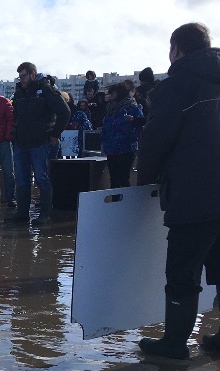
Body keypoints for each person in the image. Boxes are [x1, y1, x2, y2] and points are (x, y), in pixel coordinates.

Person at [137, 22, 220, 360]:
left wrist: (144, 180)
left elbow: (156, 140)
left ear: (176, 49)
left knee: (182, 272)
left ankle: (174, 343)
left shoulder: (178, 85)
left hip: (196, 192)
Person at [7, 62, 71, 225]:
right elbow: (16, 115)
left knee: (42, 178)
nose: (21, 79)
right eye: (19, 76)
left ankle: (45, 214)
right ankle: (22, 213)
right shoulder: (19, 92)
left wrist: (55, 134)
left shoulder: (47, 90)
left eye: (24, 75)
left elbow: (64, 112)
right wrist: (15, 130)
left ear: (33, 74)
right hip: (21, 142)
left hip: (40, 143)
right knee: (22, 180)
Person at [101, 83, 143, 188]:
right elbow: (106, 127)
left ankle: (124, 202)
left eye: (112, 93)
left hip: (126, 148)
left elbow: (140, 124)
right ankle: (115, 202)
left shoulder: (132, 107)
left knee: (123, 178)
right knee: (113, 179)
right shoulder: (110, 109)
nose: (110, 96)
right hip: (111, 148)